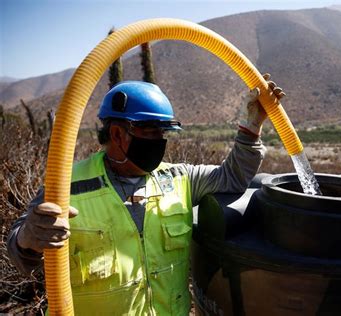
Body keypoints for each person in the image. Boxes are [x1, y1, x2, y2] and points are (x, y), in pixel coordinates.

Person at [7, 76, 285, 315]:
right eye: (152, 132)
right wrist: (28, 237)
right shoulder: (67, 184)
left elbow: (232, 177)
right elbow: (20, 252)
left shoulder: (179, 178)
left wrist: (252, 126)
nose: (160, 141)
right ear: (117, 134)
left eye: (163, 132)